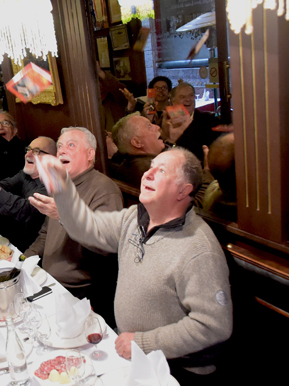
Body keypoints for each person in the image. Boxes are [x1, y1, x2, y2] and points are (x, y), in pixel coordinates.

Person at [39, 147, 233, 384]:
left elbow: (214, 326)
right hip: (133, 354)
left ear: (184, 190)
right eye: (150, 166)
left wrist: (143, 343)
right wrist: (62, 187)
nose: (147, 174)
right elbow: (85, 227)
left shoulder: (198, 248)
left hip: (176, 370)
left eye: (161, 170)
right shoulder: (134, 218)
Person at [24, 127, 123, 326]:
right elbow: (45, 233)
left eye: (71, 145)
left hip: (82, 295)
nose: (61, 151)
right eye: (59, 146)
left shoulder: (105, 190)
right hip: (48, 283)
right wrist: (22, 261)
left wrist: (64, 216)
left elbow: (106, 246)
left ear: (90, 154)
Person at [162, 82, 221, 164]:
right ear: (173, 101)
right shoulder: (166, 123)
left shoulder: (210, 120)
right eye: (182, 97)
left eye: (191, 95)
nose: (188, 99)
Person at [109, 113, 168, 186]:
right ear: (137, 142)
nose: (157, 127)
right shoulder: (150, 171)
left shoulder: (128, 166)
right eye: (149, 126)